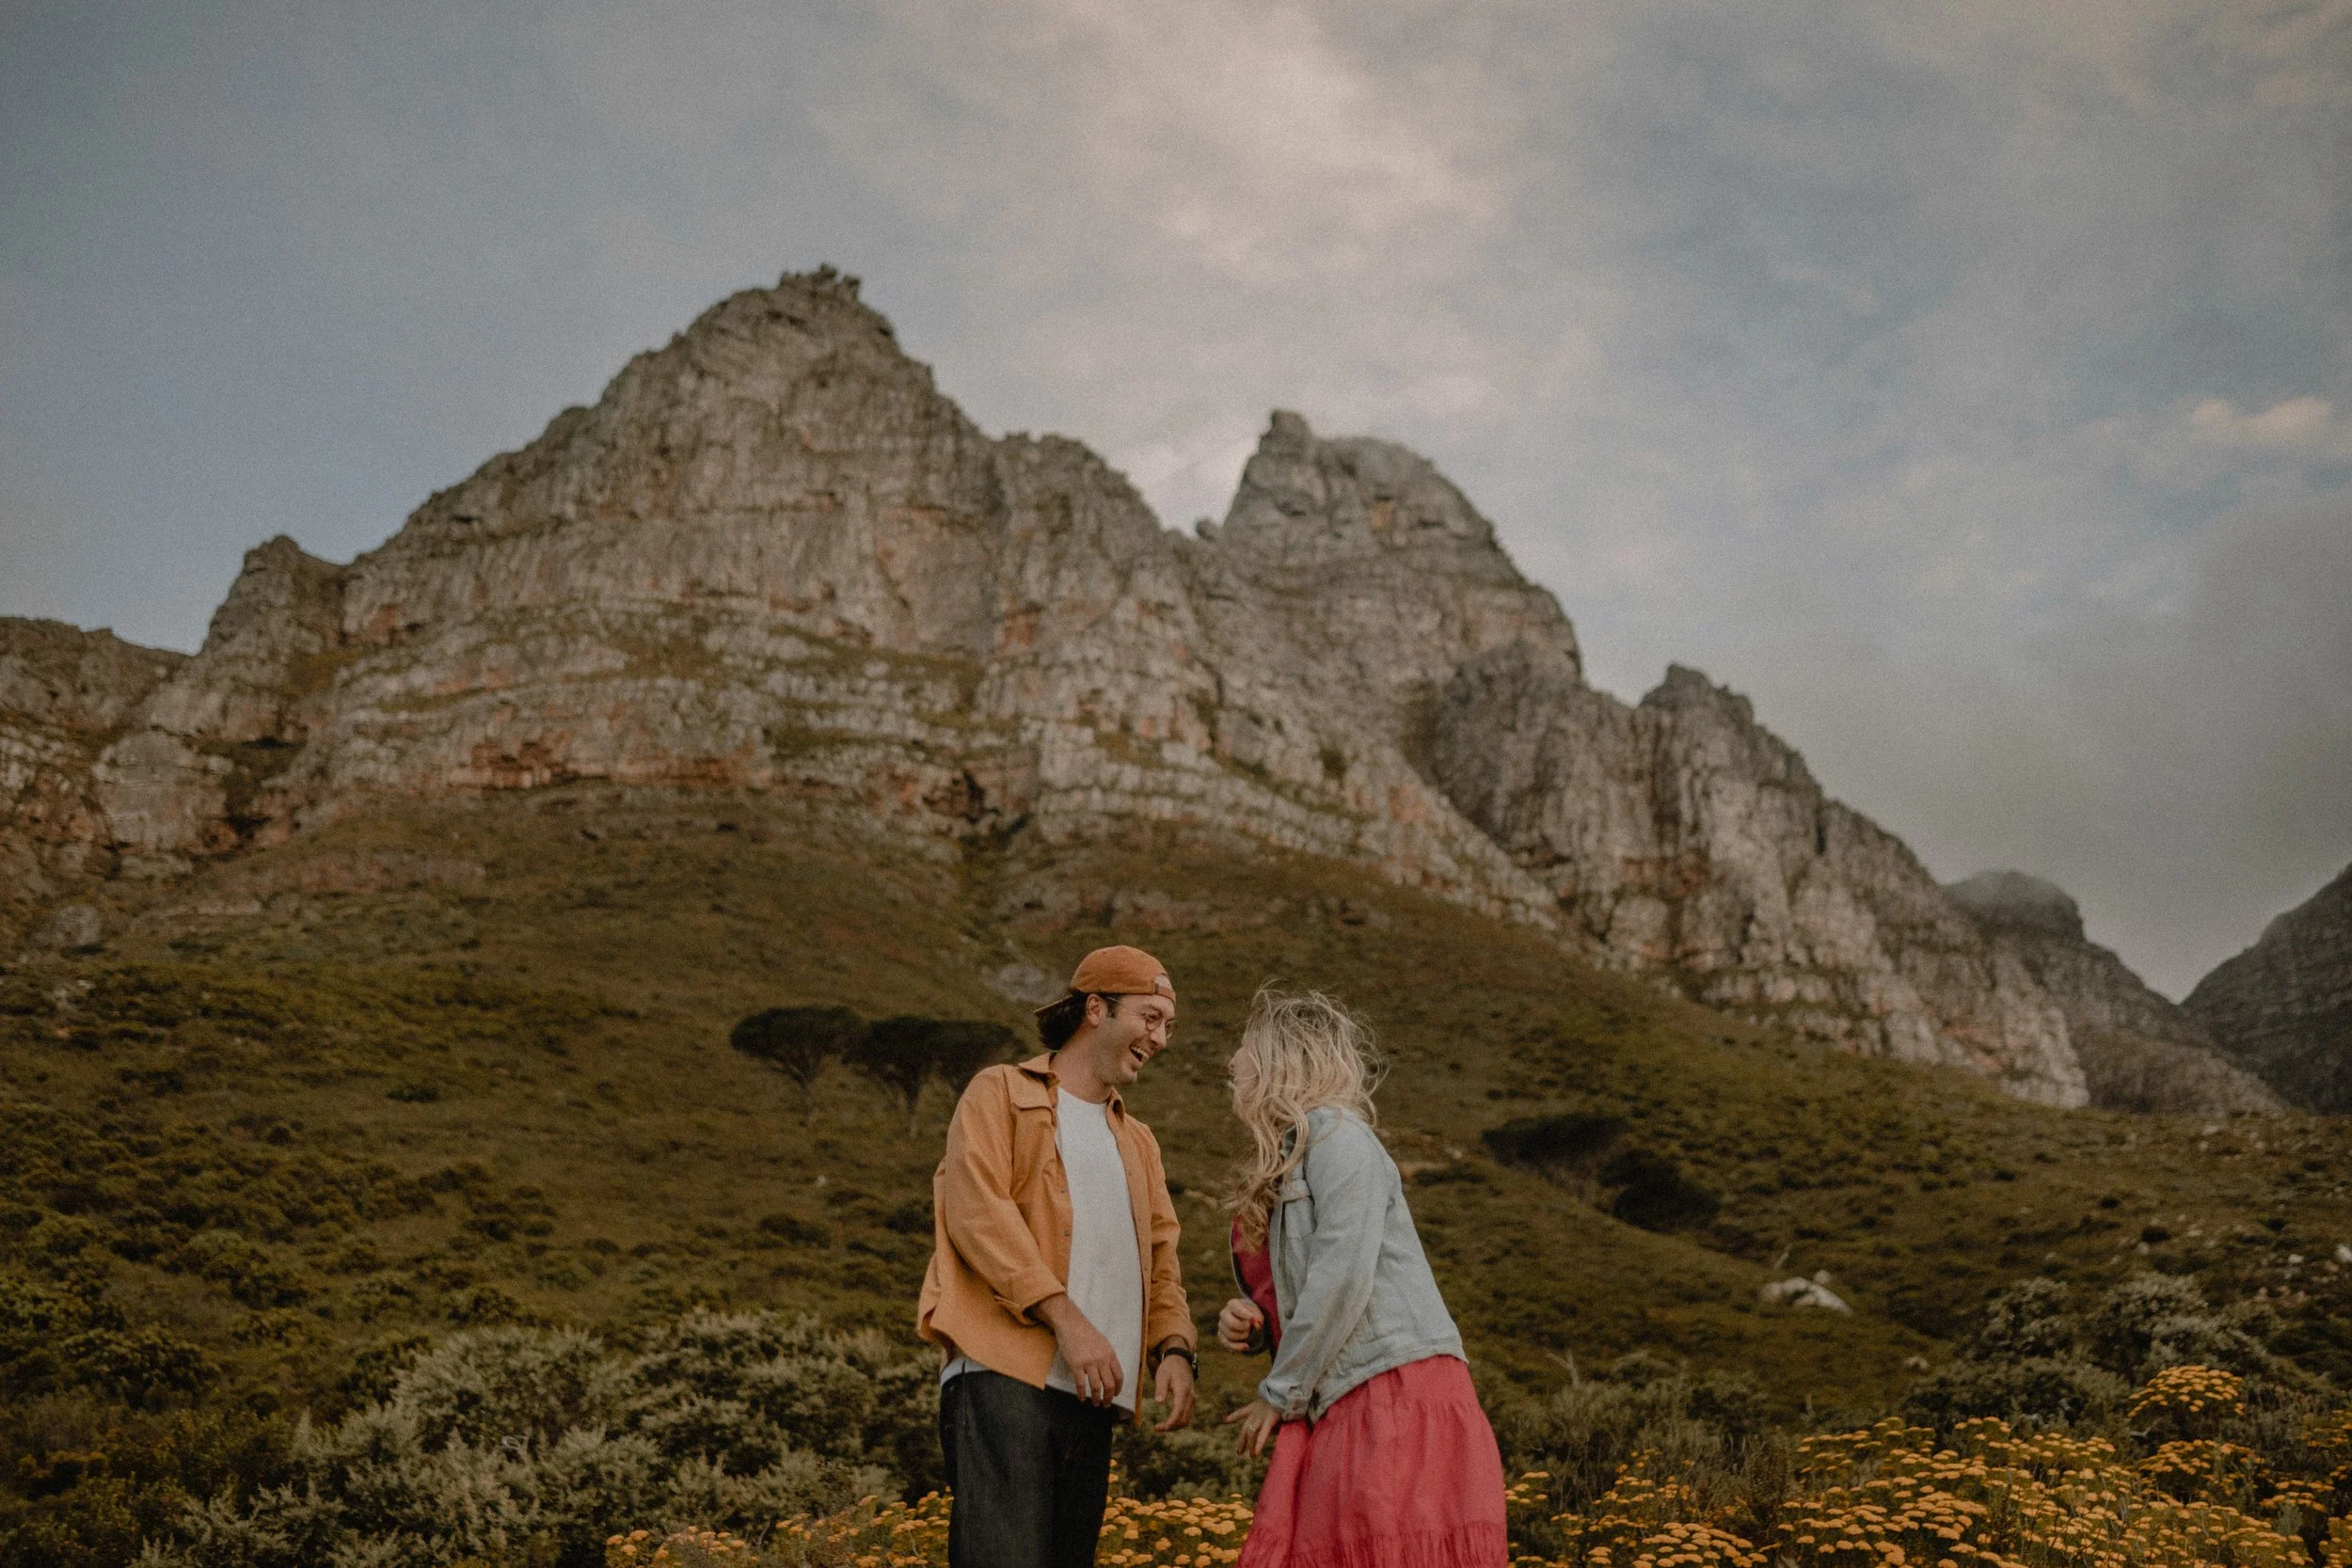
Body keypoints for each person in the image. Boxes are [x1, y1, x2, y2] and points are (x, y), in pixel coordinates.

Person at [917, 944, 1199, 1568]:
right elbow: (978, 1214)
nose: (1160, 1038)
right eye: (1150, 1018)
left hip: (1092, 1396)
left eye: (1168, 1026)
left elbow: (1162, 1258)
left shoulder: (1139, 1142)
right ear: (1096, 1008)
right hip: (1001, 1374)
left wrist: (1175, 1347)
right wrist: (1069, 1322)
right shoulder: (998, 1092)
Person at [1217, 990, 1509, 1568]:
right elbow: (1322, 1283)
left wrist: (1279, 1392)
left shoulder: (1337, 1137)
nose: (1231, 1062)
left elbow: (1342, 1278)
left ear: (1280, 1056)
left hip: (1394, 1394)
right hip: (1353, 1397)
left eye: (1244, 1048)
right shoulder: (1300, 1155)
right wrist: (1258, 1325)